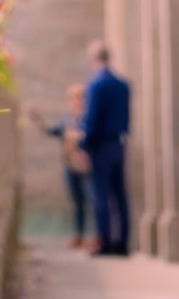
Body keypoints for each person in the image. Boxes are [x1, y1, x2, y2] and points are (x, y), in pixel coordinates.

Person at [78, 39, 131, 256]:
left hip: (100, 145)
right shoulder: (123, 85)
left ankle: (106, 242)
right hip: (118, 142)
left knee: (101, 194)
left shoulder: (96, 84)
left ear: (93, 59)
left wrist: (84, 144)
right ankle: (123, 242)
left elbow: (92, 118)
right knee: (120, 195)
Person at [30, 85, 93, 248]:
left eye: (81, 98)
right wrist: (39, 121)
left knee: (92, 200)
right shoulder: (67, 120)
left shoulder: (88, 119)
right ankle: (79, 235)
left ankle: (95, 236)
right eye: (75, 98)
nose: (78, 102)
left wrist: (78, 137)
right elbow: (53, 131)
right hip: (70, 164)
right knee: (77, 201)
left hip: (87, 165)